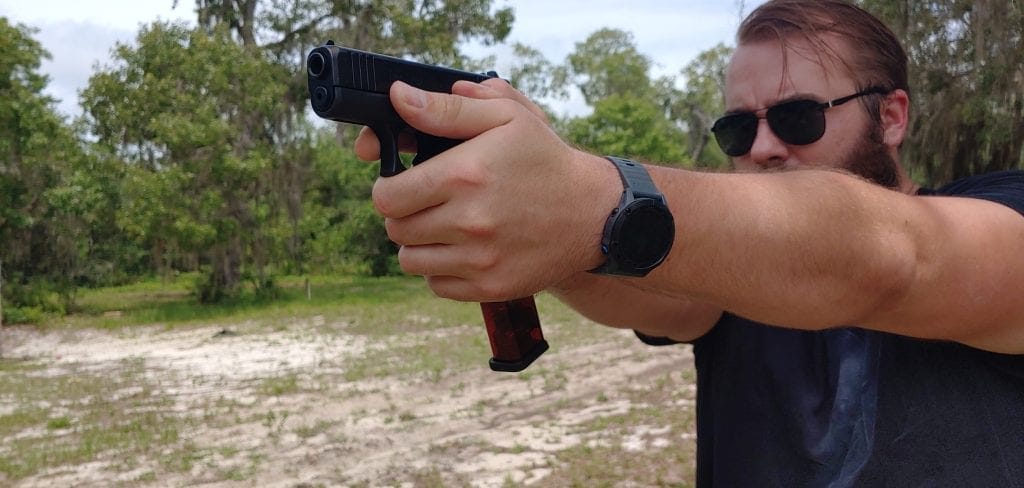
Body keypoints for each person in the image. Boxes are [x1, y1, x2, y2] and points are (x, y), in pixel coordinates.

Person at [353, 0, 1024, 485]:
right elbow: (648, 293)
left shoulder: (1002, 214)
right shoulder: (732, 273)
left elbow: (893, 259)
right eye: (737, 129)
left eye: (799, 117)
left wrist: (600, 197)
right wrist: (537, 220)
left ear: (892, 115)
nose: (762, 148)